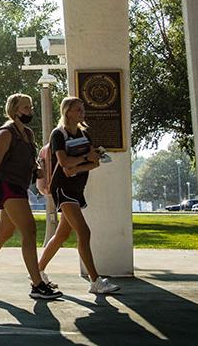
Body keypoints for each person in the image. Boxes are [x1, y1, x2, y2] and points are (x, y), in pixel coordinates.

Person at [0, 93, 62, 300]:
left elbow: (29, 160)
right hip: (6, 186)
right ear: (14, 110)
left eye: (31, 107)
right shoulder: (5, 133)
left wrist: (37, 169)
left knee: (4, 233)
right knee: (29, 230)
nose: (30, 111)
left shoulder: (28, 134)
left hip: (19, 186)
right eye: (26, 108)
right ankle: (37, 284)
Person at [37, 96, 120, 294]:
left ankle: (37, 271)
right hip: (63, 189)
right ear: (67, 112)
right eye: (78, 109)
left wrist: (80, 164)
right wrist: (83, 160)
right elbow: (64, 164)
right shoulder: (58, 134)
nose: (82, 112)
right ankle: (96, 281)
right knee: (84, 232)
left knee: (61, 235)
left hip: (77, 188)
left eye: (82, 109)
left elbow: (95, 163)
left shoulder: (85, 134)